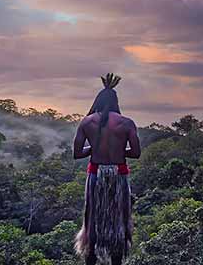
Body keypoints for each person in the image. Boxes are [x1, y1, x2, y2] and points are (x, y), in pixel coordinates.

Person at [73, 73, 141, 265]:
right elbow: (136, 153)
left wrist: (94, 148)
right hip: (119, 175)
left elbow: (78, 153)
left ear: (98, 101)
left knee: (92, 216)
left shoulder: (87, 122)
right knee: (119, 217)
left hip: (95, 174)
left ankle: (91, 258)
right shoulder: (126, 123)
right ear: (115, 101)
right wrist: (119, 150)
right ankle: (116, 260)